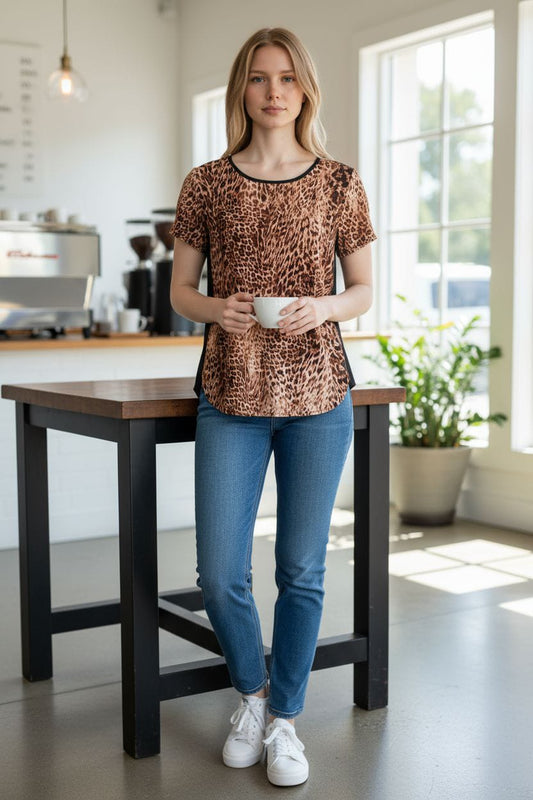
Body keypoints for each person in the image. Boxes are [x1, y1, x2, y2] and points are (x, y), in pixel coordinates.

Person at [170, 26, 376, 788]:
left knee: (301, 568)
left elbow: (362, 290)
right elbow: (179, 290)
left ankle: (285, 720)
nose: (273, 90)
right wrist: (211, 309)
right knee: (220, 572)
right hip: (229, 390)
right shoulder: (204, 183)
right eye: (259, 78)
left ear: (304, 89)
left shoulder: (340, 182)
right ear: (242, 90)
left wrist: (323, 305)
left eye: (286, 77)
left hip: (318, 392)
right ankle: (249, 698)